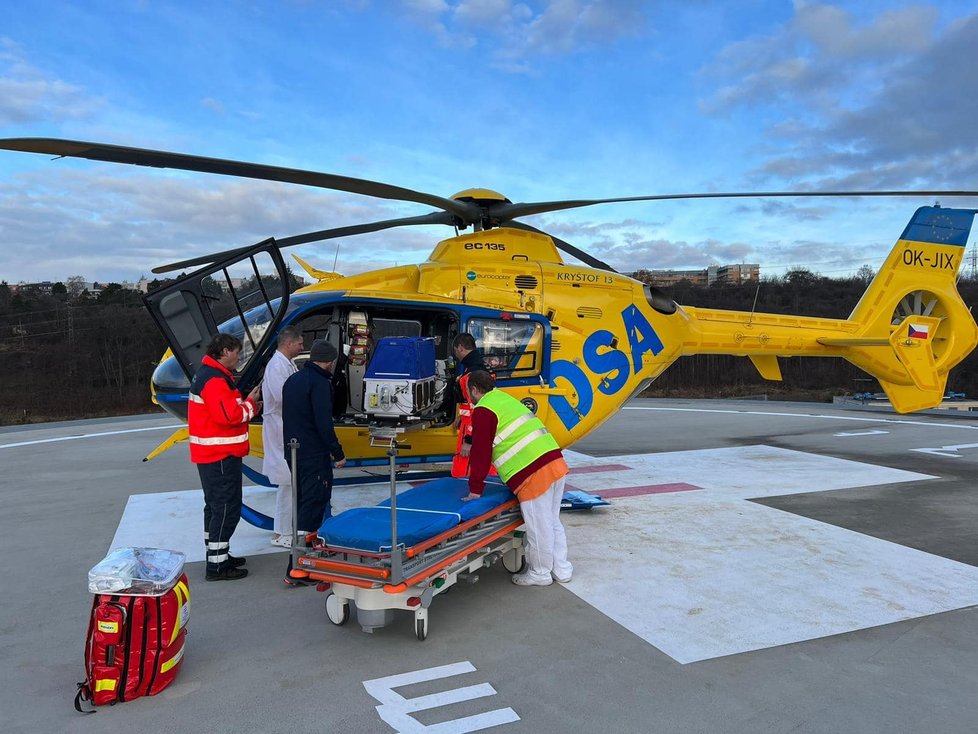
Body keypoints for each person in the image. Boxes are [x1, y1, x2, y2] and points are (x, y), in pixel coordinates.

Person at [463, 370, 571, 586]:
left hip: (533, 472)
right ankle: (562, 570)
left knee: (539, 526)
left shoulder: (484, 409)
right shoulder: (503, 399)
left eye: (468, 392)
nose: (468, 396)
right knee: (551, 521)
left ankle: (540, 573)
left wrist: (475, 489)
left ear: (475, 389)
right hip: (554, 462)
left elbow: (481, 452)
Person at [188, 333, 262, 581]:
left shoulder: (208, 374)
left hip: (211, 455)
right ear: (226, 351)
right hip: (220, 455)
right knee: (226, 507)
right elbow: (229, 417)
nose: (238, 357)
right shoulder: (215, 380)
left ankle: (217, 554)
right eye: (237, 352)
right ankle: (217, 566)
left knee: (214, 506)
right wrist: (251, 405)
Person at [281, 339, 347, 586]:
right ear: (329, 361)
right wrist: (337, 452)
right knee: (313, 504)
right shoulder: (320, 383)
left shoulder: (293, 380)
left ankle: (304, 560)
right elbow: (323, 423)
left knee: (301, 504)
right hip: (313, 454)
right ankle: (297, 568)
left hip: (294, 452)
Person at [262, 326, 303, 548]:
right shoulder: (277, 365)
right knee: (287, 480)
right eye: (300, 344)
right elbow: (283, 395)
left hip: (285, 426)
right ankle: (283, 532)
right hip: (279, 427)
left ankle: (282, 530)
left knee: (289, 482)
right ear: (289, 344)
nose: (302, 347)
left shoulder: (287, 364)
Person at [451, 332, 488, 478]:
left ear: (460, 348)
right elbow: (471, 404)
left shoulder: (472, 374)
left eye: (455, 351)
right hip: (472, 429)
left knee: (467, 467)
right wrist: (461, 415)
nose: (456, 355)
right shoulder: (477, 368)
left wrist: (469, 440)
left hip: (472, 433)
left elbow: (478, 410)